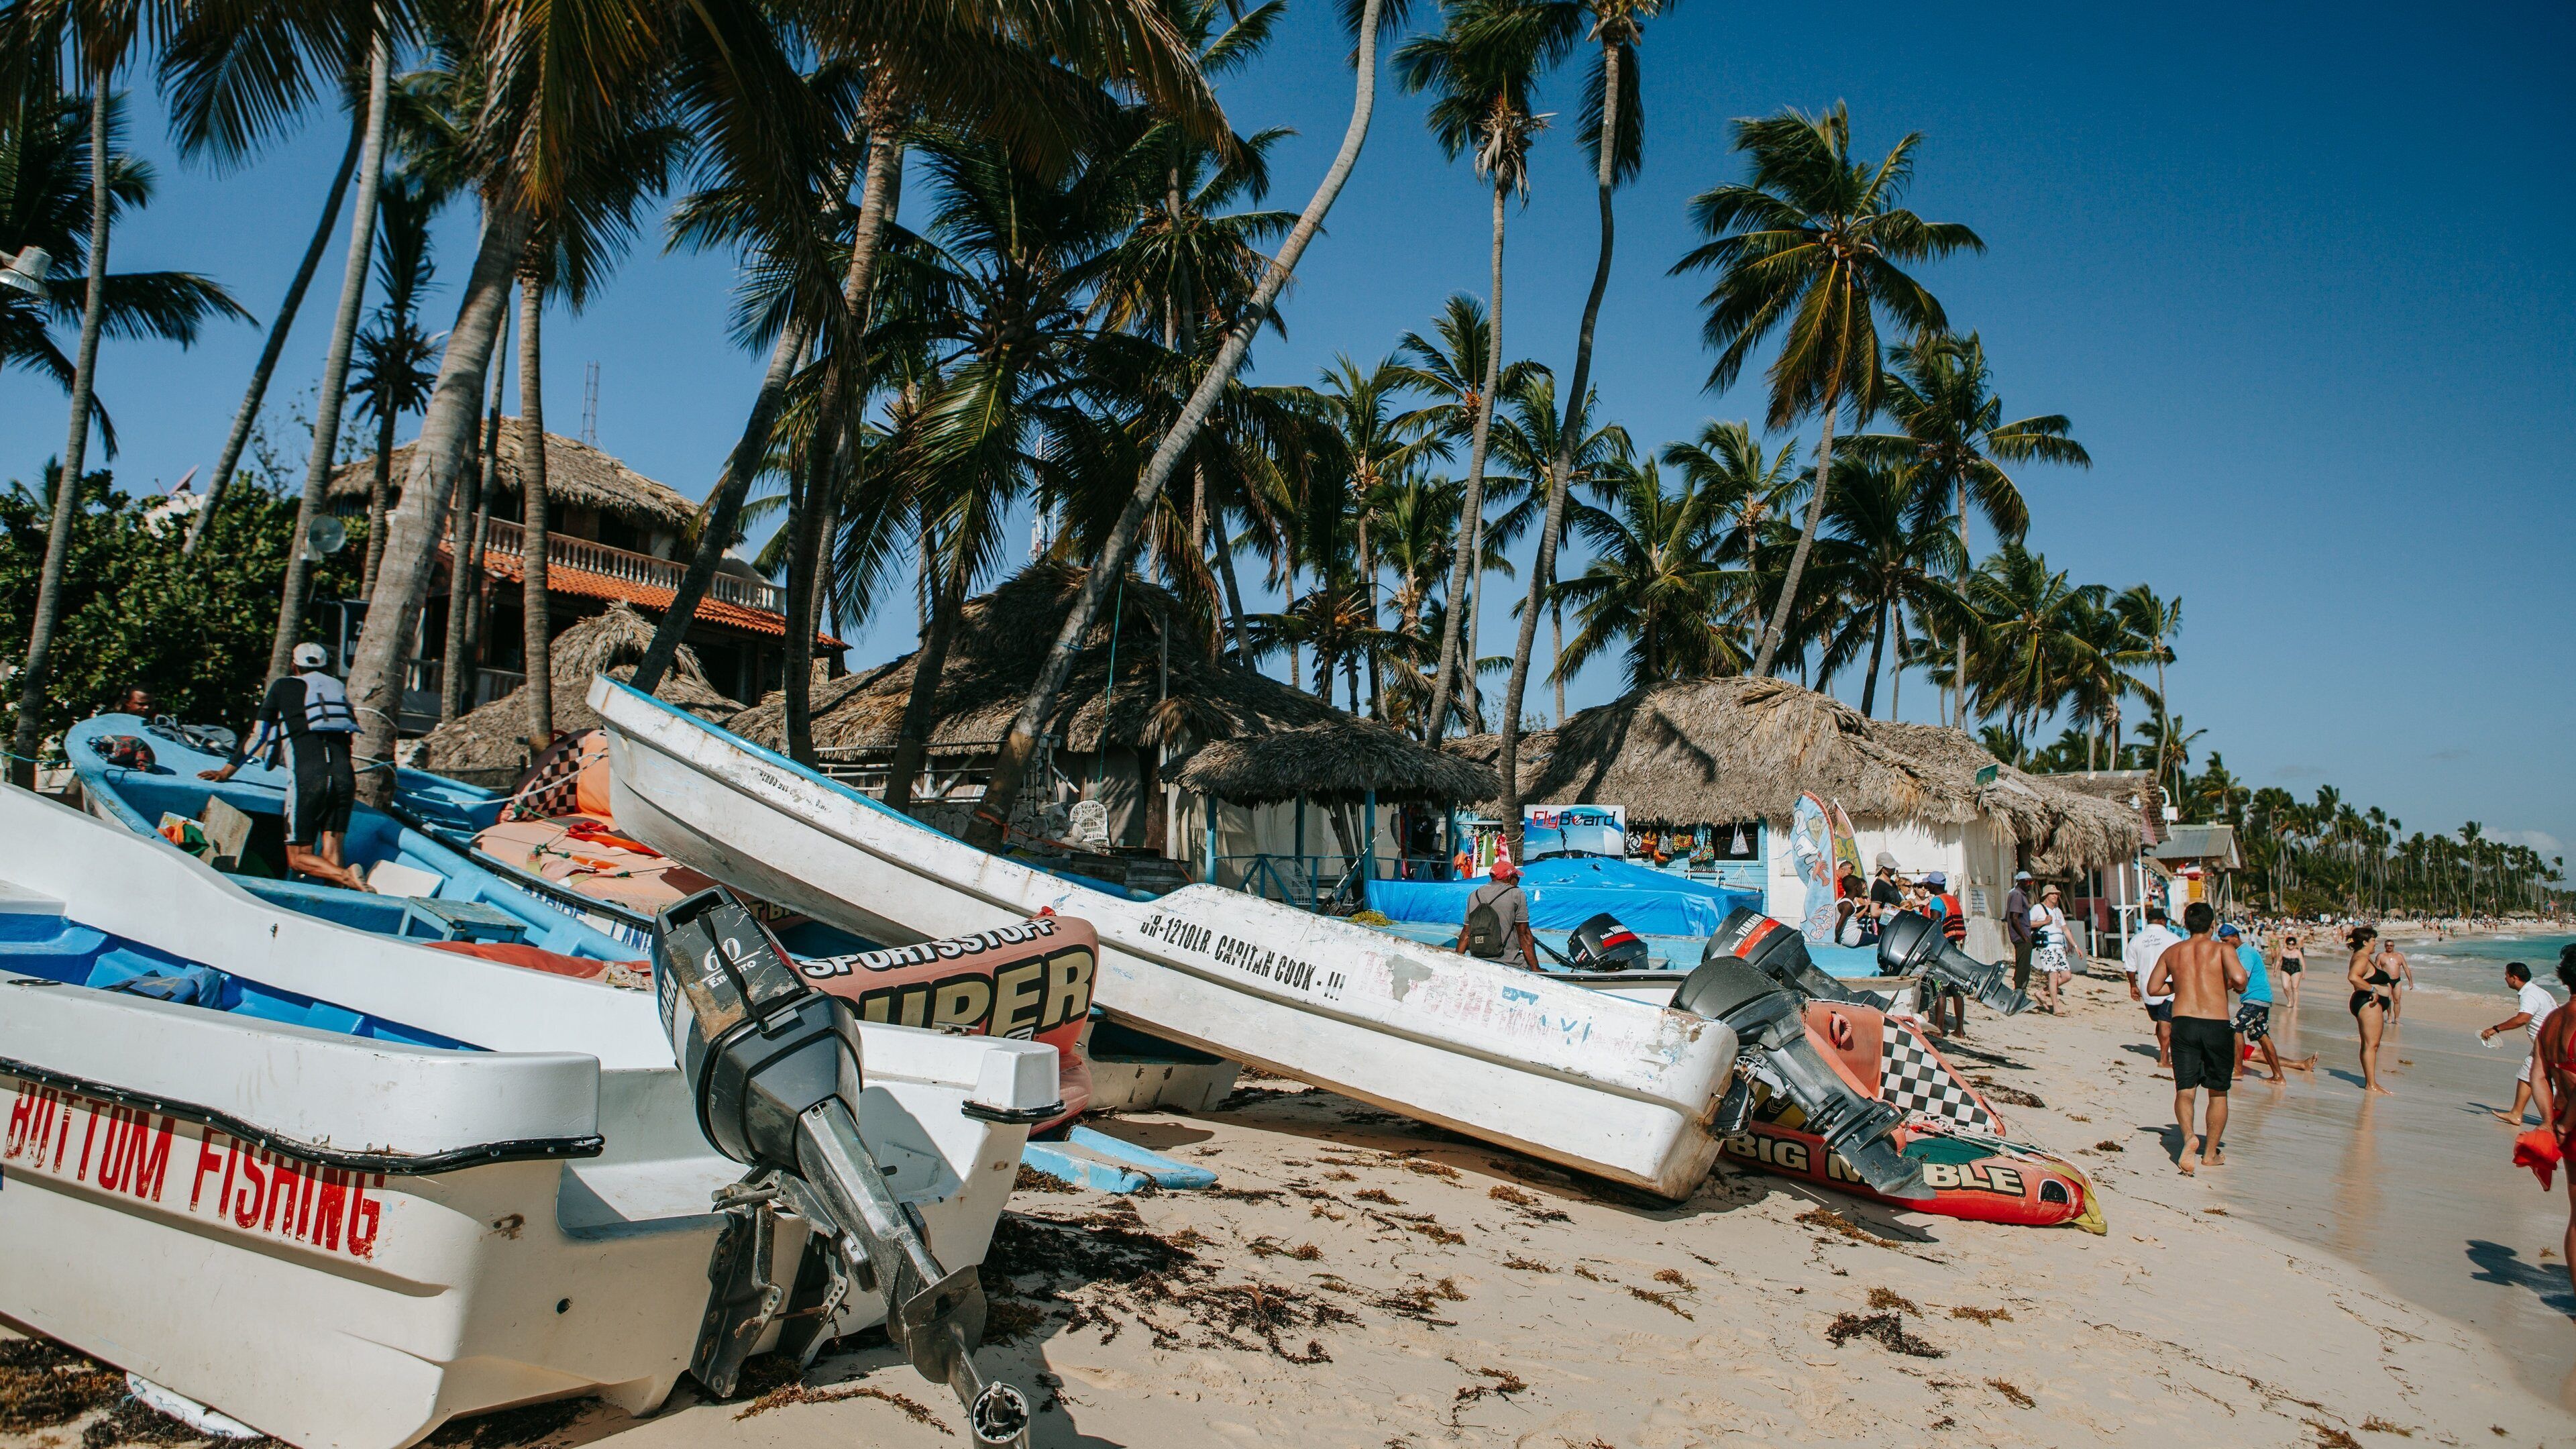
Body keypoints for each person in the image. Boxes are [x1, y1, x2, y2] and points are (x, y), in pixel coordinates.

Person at [201, 643, 372, 893]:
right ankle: (337, 896)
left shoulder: (283, 687)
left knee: (298, 859)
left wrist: (226, 771)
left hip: (308, 778)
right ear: (326, 666)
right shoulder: (337, 688)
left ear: (294, 665)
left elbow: (258, 735)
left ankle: (346, 876)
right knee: (332, 849)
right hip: (344, 778)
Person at [2147, 902, 2248, 1175]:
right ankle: (2210, 1154)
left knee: (2185, 1090)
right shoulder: (2222, 949)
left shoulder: (2173, 951)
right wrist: (2228, 983)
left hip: (2184, 1023)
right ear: (2213, 925)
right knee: (2218, 1092)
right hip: (2216, 1024)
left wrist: (2180, 984)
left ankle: (2189, 1136)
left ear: (2186, 924)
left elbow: (2153, 988)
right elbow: (2240, 979)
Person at [2524, 947, 2576, 1296]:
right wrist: (2566, 1123)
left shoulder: (2552, 1020)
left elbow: (2539, 1076)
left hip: (2565, 1125)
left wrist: (2549, 1122)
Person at [2224, 923, 2312, 1081]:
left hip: (2255, 998)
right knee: (2262, 1035)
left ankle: (2237, 1070)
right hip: (2261, 998)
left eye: (2226, 940)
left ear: (2235, 937)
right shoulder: (2241, 952)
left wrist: (2219, 988)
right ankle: (2278, 1076)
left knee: (2236, 1027)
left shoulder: (2245, 952)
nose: (2223, 944)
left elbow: (2241, 979)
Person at [2481, 961, 2560, 1125]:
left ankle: (2555, 1121)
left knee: (2552, 1082)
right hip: (2549, 1043)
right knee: (2527, 1074)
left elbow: (2523, 1018)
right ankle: (2517, 1113)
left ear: (2514, 978)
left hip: (2548, 1045)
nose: (2505, 978)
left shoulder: (2529, 994)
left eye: (2506, 975)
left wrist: (2496, 1029)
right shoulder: (2539, 992)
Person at [1454, 856, 1537, 970]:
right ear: (1509, 878)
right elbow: (1524, 935)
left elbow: (1465, 934)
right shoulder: (1516, 894)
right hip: (1509, 962)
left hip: (1478, 959)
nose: (1518, 881)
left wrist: (1456, 963)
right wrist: (1536, 968)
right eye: (1517, 877)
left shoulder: (1474, 895)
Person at [2125, 904, 2181, 1068]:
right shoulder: (2174, 939)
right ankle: (2164, 1059)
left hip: (2147, 989)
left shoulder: (2137, 939)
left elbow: (2130, 967)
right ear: (2163, 921)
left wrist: (2133, 986)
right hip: (2169, 987)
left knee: (2162, 1021)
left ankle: (2165, 1054)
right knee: (2166, 1022)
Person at [2344, 924, 2395, 1095]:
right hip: (2368, 1003)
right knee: (2371, 1045)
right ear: (2365, 942)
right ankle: (2371, 1084)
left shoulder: (2365, 957)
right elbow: (2353, 977)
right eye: (2373, 940)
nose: (2376, 943)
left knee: (2371, 1044)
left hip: (2369, 1003)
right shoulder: (2362, 958)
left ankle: (2371, 1081)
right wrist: (2372, 989)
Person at [2005, 869, 2036, 994]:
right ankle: (2019, 990)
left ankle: (2020, 989)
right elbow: (2014, 918)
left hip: (2023, 936)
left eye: (2031, 882)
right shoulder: (2017, 895)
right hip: (2021, 937)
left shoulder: (2020, 895)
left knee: (2024, 965)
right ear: (2020, 882)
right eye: (2027, 882)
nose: (2029, 885)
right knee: (2023, 967)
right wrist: (2024, 937)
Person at [2377, 938, 2413, 1022]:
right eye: (2387, 945)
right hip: (2387, 981)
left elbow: (2406, 968)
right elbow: (2376, 968)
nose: (2389, 947)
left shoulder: (2399, 956)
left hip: (2397, 980)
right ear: (2385, 946)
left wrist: (2410, 981)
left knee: (2397, 1000)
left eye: (2391, 945)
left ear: (2394, 946)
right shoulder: (2381, 956)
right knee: (2388, 999)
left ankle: (2397, 1018)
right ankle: (2389, 1016)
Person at [2277, 926, 2305, 1011]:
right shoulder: (2283, 951)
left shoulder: (2298, 952)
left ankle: (2295, 1005)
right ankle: (2290, 1000)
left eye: (2293, 944)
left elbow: (2302, 963)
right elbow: (2278, 960)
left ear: (2295, 945)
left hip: (2296, 970)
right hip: (2285, 969)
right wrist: (2275, 970)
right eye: (2289, 944)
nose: (2291, 945)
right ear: (2287, 944)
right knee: (2285, 987)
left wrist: (2303, 973)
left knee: (2295, 987)